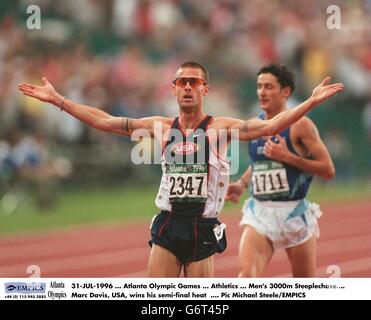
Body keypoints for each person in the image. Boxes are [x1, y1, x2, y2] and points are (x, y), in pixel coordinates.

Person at [18, 61, 343, 277]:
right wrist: (59, 100)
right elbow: (104, 121)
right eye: (181, 82)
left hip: (202, 227)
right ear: (173, 89)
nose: (187, 87)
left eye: (194, 82)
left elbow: (267, 126)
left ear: (205, 90)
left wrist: (310, 103)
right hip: (168, 224)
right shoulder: (159, 126)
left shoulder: (220, 128)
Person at [226, 63, 336, 277]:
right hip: (260, 213)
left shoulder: (301, 126)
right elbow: (259, 163)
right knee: (246, 278)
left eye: (268, 86)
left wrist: (288, 157)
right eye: (259, 86)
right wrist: (241, 183)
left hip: (294, 213)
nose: (262, 92)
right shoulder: (254, 126)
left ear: (285, 92)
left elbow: (328, 170)